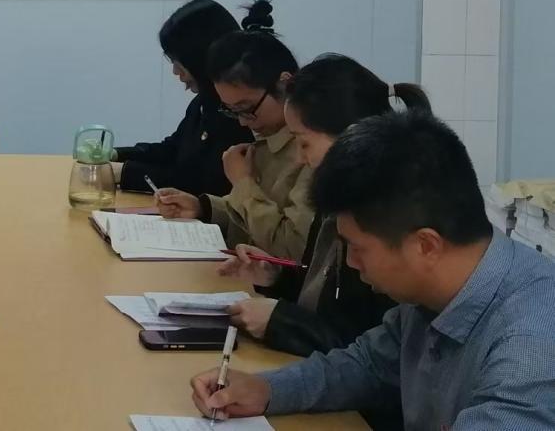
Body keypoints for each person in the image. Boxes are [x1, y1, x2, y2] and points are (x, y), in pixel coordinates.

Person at [190, 110, 555, 429]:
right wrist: (267, 389)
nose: (350, 262)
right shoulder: (433, 292)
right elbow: (367, 364)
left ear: (425, 245)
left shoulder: (529, 347)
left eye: (358, 248)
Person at [155, 8, 313, 259]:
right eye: (231, 111)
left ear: (284, 84)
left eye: (246, 109)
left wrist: (243, 183)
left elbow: (291, 249)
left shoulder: (311, 150)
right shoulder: (267, 136)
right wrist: (203, 208)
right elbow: (250, 222)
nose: (241, 122)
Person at [113, 0, 254, 196]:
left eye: (178, 62)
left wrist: (122, 173)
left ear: (200, 59)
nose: (175, 72)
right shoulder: (204, 101)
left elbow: (201, 184)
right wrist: (115, 155)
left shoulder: (237, 113)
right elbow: (173, 149)